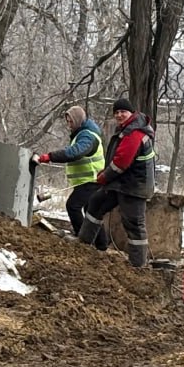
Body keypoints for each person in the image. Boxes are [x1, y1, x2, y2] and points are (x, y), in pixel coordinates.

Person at [77, 98, 156, 268]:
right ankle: (82, 245)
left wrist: (104, 177)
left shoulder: (134, 133)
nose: (119, 115)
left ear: (131, 113)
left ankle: (138, 265)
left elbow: (121, 163)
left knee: (134, 224)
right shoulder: (126, 129)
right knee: (96, 202)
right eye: (117, 112)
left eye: (123, 112)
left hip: (134, 187)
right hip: (121, 183)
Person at [34, 105, 109, 251]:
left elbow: (74, 153)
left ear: (78, 120)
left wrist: (49, 157)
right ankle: (101, 245)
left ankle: (83, 241)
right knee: (92, 214)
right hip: (90, 181)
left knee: (73, 206)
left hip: (90, 181)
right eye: (67, 122)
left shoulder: (87, 136)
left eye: (70, 122)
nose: (69, 125)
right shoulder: (85, 134)